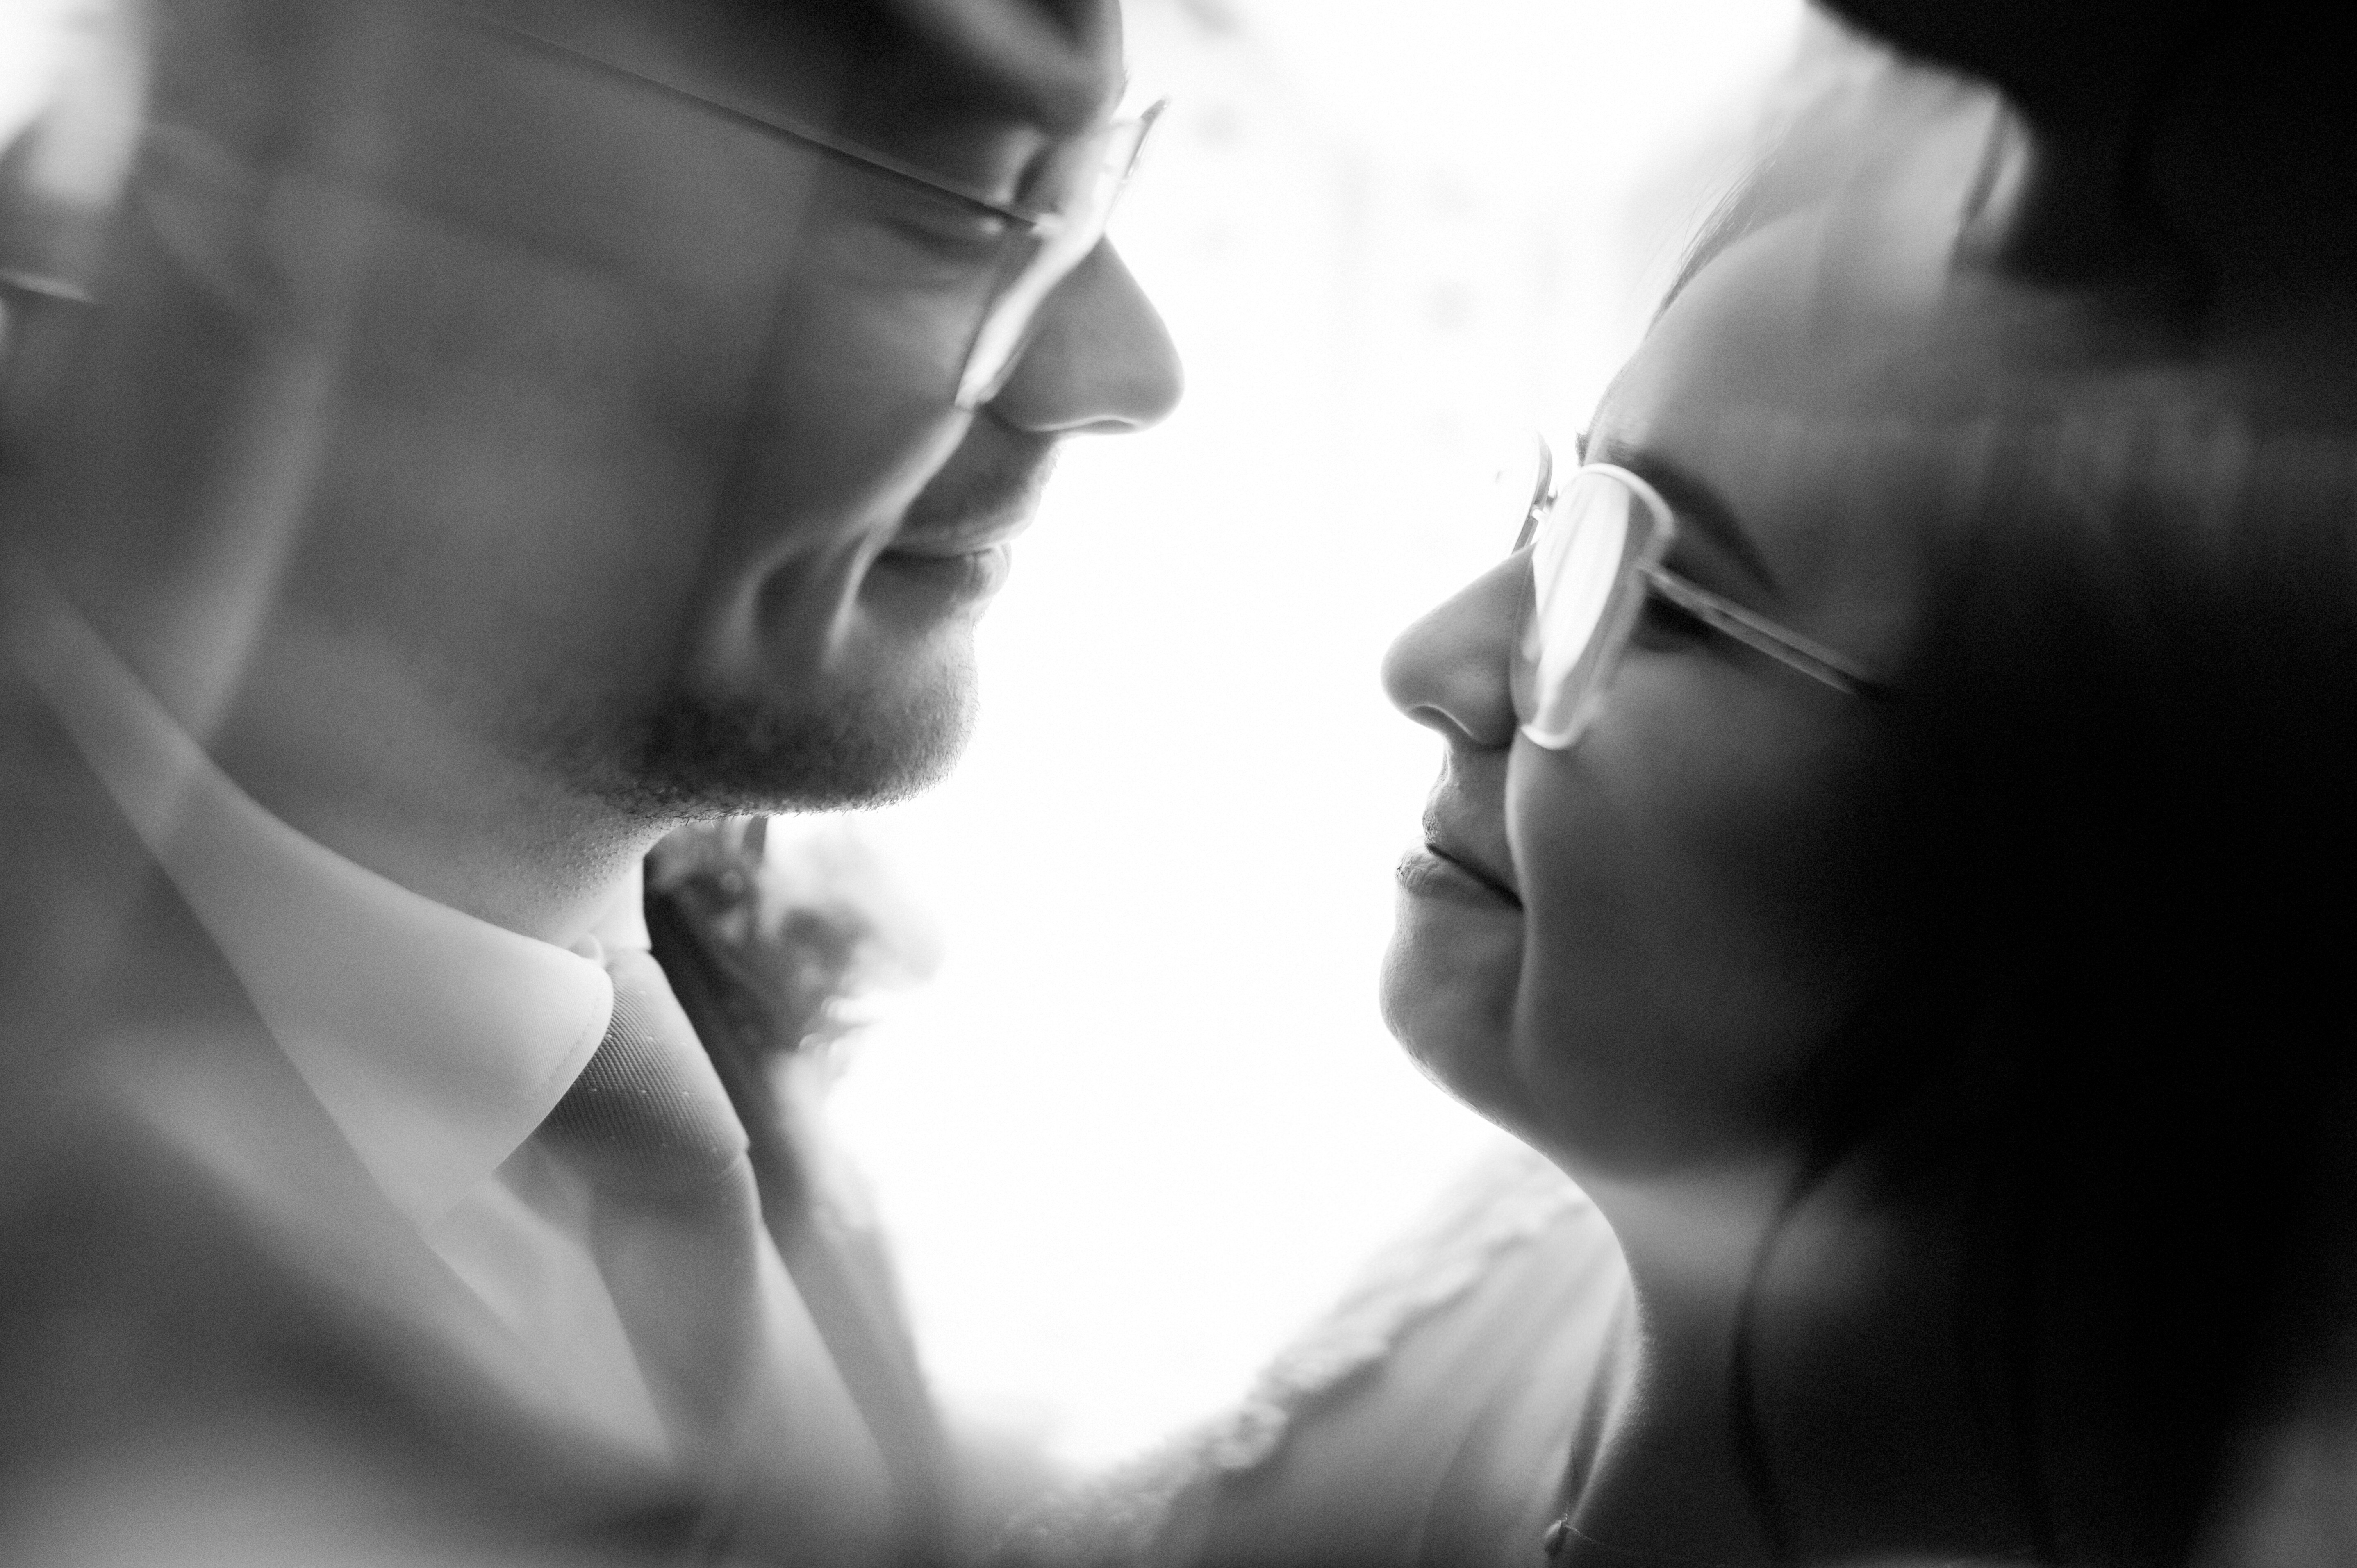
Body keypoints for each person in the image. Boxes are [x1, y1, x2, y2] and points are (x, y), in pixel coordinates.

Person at [1004, 2, 2357, 1565]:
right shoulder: (1561, 1253)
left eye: (1648, 594)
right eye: (1560, 511)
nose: (1432, 661)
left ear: (2118, 864)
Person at [0, 0, 1178, 1562]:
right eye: (961, 202)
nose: (1128, 371)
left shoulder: (743, 1029)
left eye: (1087, 186)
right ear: (267, 140)